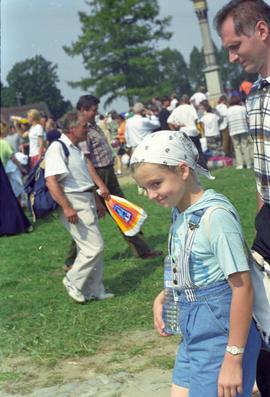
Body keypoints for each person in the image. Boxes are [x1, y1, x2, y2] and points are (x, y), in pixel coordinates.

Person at [130, 130, 261, 397]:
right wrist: (166, 296)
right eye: (144, 188)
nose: (150, 195)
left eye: (156, 184)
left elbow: (243, 288)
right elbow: (192, 266)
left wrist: (234, 358)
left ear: (183, 170)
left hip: (222, 337)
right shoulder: (180, 211)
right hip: (194, 334)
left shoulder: (216, 218)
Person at [215, 1, 270, 395]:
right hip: (268, 222)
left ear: (262, 32)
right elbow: (261, 175)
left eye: (236, 46)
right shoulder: (254, 97)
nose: (232, 57)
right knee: (263, 320)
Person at [73, 94, 162, 261]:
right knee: (89, 218)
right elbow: (86, 161)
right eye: (93, 110)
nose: (95, 112)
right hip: (99, 176)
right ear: (83, 109)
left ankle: (142, 249)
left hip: (107, 173)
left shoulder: (92, 126)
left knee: (122, 211)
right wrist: (101, 185)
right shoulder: (81, 129)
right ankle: (71, 260)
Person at [45, 111, 114, 303]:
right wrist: (67, 207)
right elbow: (51, 181)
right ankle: (73, 281)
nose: (87, 129)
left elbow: (82, 178)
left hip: (86, 199)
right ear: (72, 128)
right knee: (94, 247)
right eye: (84, 125)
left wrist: (98, 200)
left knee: (93, 247)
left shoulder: (75, 148)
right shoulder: (57, 148)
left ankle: (94, 289)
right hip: (74, 202)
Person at [168, 94, 207, 168]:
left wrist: (176, 128)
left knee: (187, 153)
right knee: (198, 151)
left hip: (183, 132)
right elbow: (196, 119)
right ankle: (203, 167)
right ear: (187, 100)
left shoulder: (177, 109)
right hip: (193, 132)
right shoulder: (190, 108)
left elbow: (169, 121)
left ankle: (191, 168)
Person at [227, 96, 252, 170]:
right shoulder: (242, 108)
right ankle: (248, 164)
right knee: (245, 146)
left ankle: (240, 164)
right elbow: (247, 118)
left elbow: (227, 121)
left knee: (237, 147)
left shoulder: (228, 110)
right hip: (243, 128)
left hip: (233, 130)